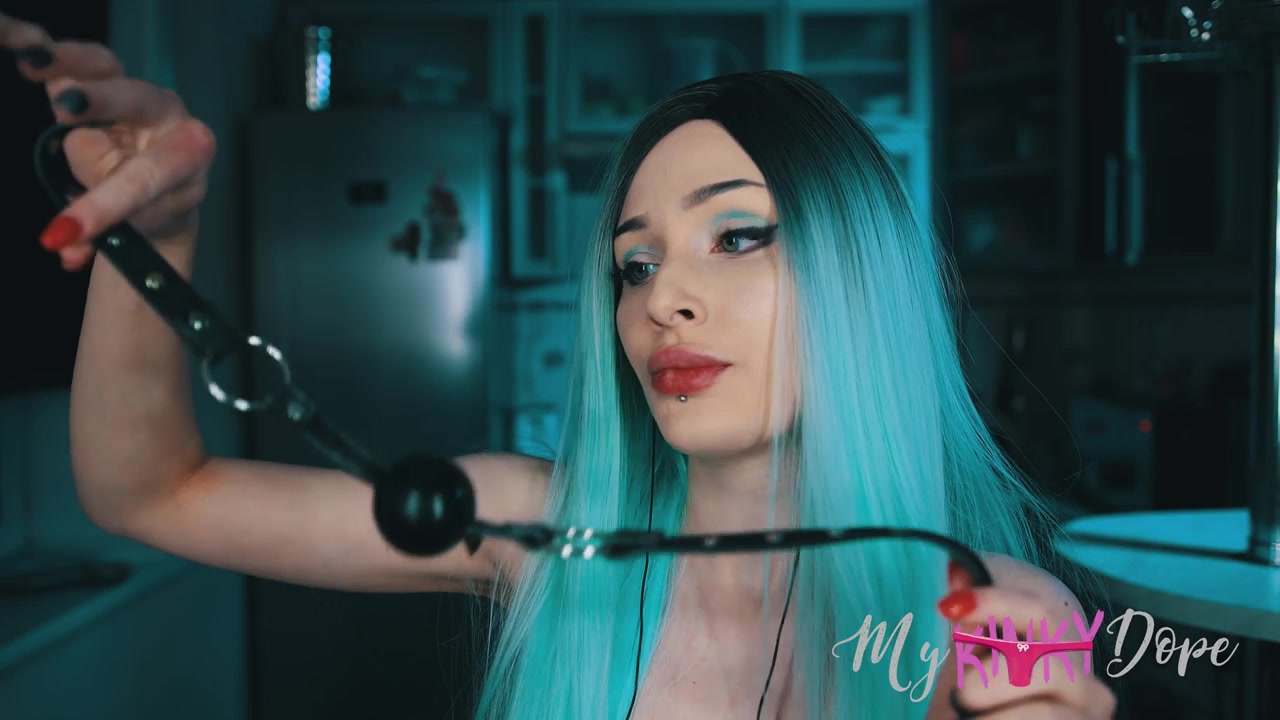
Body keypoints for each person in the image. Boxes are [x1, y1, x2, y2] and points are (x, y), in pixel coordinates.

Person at [2, 13, 1117, 720]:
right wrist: (155, 239)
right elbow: (149, 491)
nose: (661, 300)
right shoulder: (539, 532)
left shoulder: (993, 619)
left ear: (861, 268)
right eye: (635, 264)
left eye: (736, 235)